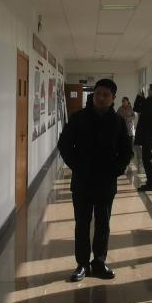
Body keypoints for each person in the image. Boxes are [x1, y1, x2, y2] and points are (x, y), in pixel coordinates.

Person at [58, 78, 134, 283]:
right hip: (82, 180)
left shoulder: (118, 122)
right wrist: (77, 166)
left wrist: (115, 170)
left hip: (106, 182)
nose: (101, 98)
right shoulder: (78, 118)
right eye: (98, 93)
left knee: (103, 223)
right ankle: (82, 263)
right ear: (93, 95)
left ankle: (99, 262)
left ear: (113, 98)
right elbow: (64, 145)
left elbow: (127, 151)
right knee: (82, 223)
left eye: (106, 95)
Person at [133, 83, 152, 192]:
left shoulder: (151, 101)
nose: (148, 91)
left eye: (149, 89)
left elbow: (136, 108)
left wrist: (139, 96)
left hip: (148, 135)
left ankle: (151, 184)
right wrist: (142, 98)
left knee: (147, 159)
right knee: (150, 158)